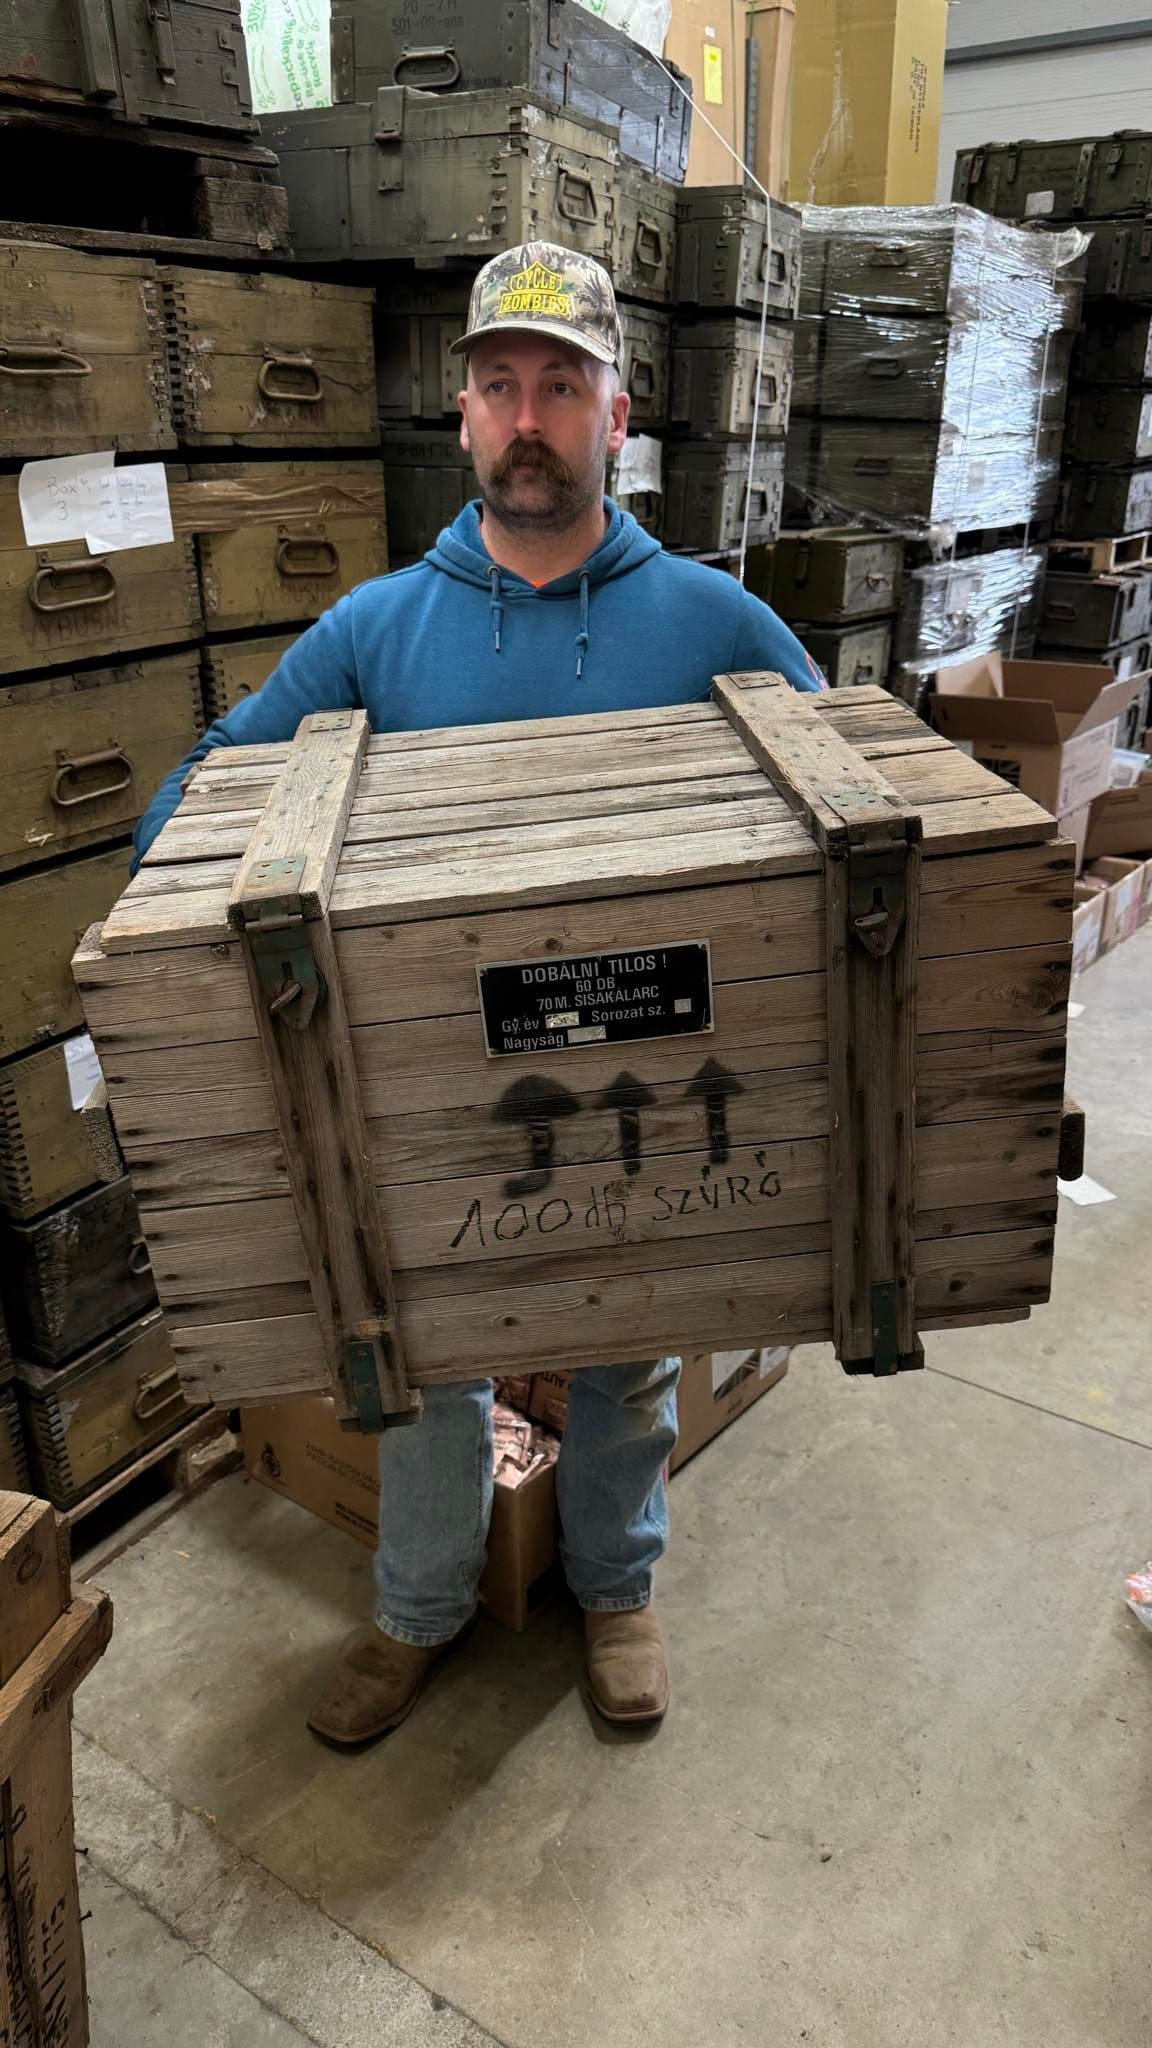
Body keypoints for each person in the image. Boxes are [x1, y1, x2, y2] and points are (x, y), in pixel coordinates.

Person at [135, 241, 823, 1748]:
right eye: (501, 386)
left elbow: (844, 805)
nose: (530, 417)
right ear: (460, 417)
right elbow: (197, 793)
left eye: (560, 388)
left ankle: (617, 1584)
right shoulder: (380, 633)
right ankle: (417, 1609)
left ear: (616, 416)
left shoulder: (713, 626)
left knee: (629, 1336)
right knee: (421, 1361)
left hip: (640, 1092)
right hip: (428, 1095)